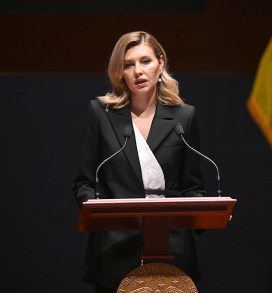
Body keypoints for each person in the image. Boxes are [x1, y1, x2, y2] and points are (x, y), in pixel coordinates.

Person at [72, 31, 205, 293]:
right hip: (115, 250)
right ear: (119, 72)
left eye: (145, 61)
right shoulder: (101, 113)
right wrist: (100, 217)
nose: (138, 72)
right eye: (129, 64)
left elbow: (193, 187)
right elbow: (84, 183)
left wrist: (203, 215)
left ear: (161, 63)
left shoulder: (184, 117)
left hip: (172, 249)